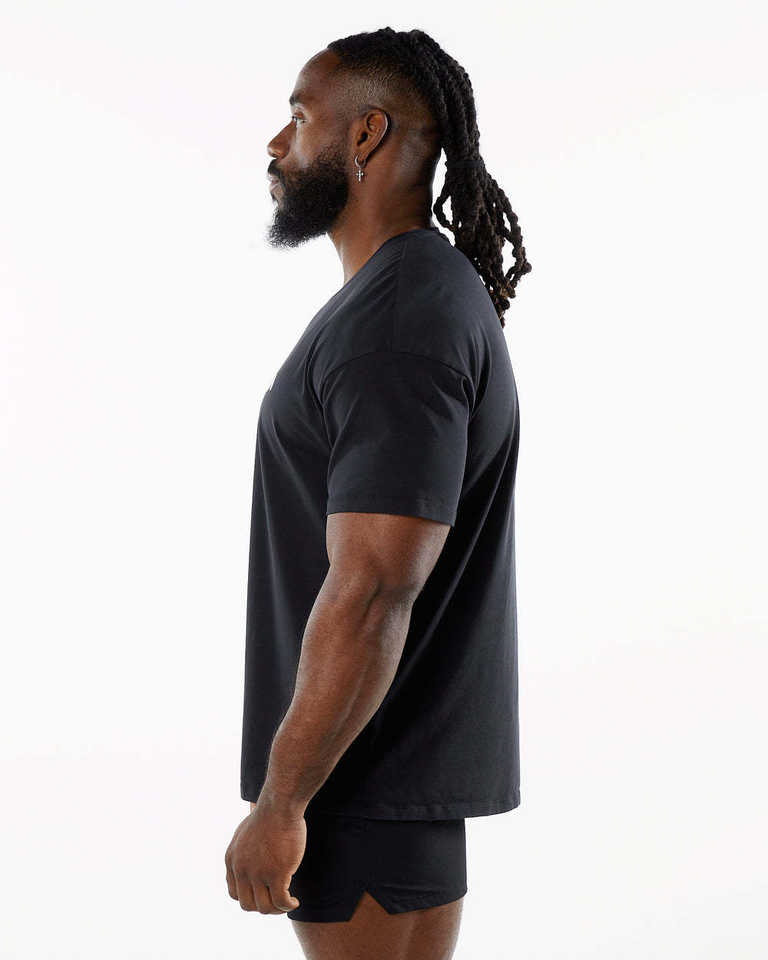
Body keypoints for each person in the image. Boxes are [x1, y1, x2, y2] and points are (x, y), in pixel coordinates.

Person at [224, 26, 532, 960]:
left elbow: (373, 588)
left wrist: (282, 801)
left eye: (298, 118)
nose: (276, 144)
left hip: (358, 795)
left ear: (365, 135)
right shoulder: (412, 295)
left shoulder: (398, 321)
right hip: (386, 792)